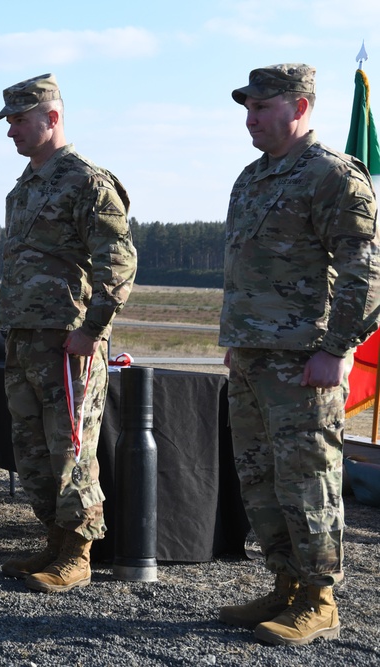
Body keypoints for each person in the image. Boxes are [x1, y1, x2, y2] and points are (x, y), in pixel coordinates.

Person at [217, 64, 380, 646]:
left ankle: (320, 598)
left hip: (304, 360)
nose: (250, 118)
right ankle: (285, 583)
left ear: (300, 106)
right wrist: (237, 342)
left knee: (308, 479)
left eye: (262, 106)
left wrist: (338, 349)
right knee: (260, 479)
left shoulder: (333, 176)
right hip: (254, 357)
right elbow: (244, 271)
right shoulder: (253, 177)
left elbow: (365, 271)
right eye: (248, 107)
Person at [0, 73, 137, 593]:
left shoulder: (87, 182)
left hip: (66, 341)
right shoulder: (25, 187)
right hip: (25, 338)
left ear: (52, 117)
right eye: (8, 121)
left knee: (71, 448)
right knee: (32, 447)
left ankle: (77, 551)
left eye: (20, 120)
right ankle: (54, 539)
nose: (12, 131)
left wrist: (91, 330)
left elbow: (117, 264)